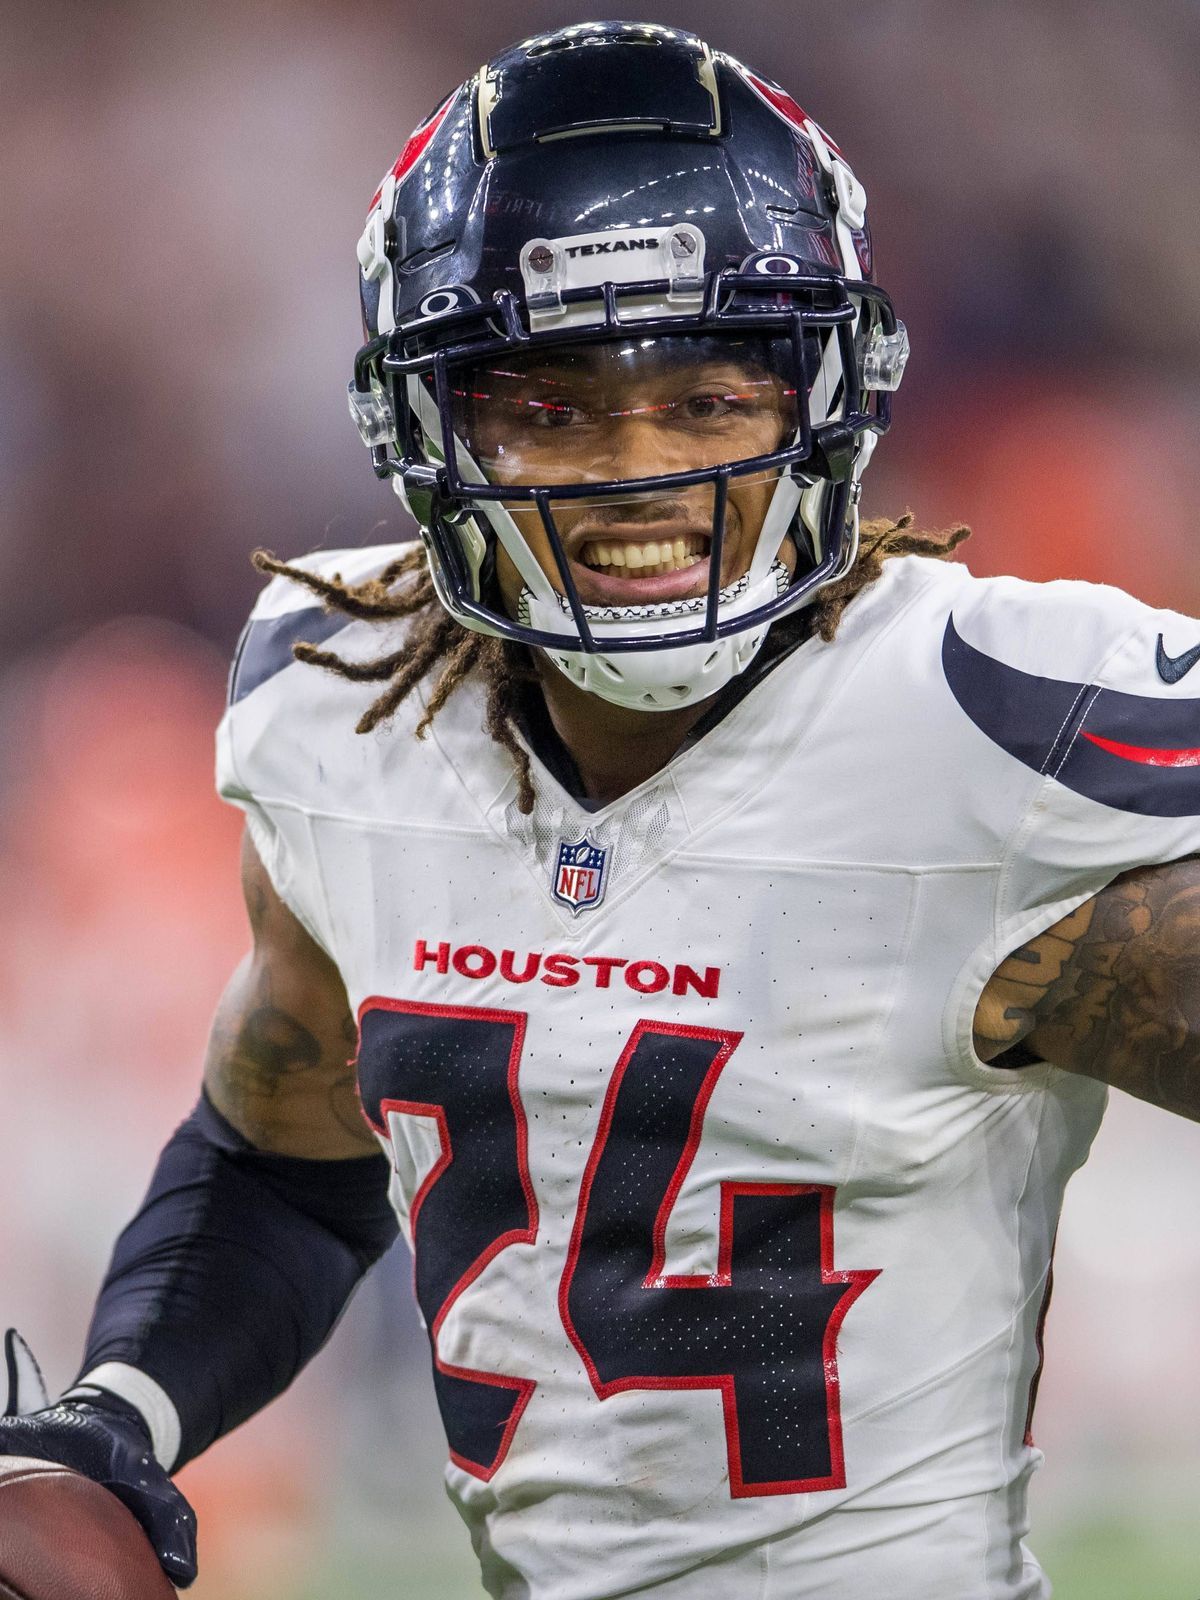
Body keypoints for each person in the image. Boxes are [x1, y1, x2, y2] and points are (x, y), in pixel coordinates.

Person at [2, 21, 1198, 1599]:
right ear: (427, 433)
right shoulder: (344, 700)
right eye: (551, 409)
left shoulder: (985, 725)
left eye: (708, 400)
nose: (641, 473)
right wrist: (114, 1419)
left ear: (826, 400)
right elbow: (283, 1149)